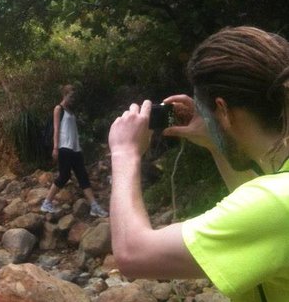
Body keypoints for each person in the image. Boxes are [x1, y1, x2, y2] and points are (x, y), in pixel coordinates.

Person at [108, 26, 289, 302]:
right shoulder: (277, 192)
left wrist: (124, 153)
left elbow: (133, 254)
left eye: (208, 112)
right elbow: (258, 207)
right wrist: (214, 142)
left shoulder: (276, 203)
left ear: (224, 110)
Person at [41, 84, 108, 217]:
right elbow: (56, 129)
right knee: (64, 176)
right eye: (71, 96)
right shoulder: (58, 109)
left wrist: (78, 146)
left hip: (75, 148)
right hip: (64, 147)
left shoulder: (70, 111)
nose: (73, 99)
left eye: (74, 96)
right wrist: (55, 147)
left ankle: (94, 206)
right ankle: (46, 203)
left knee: (83, 176)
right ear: (64, 95)